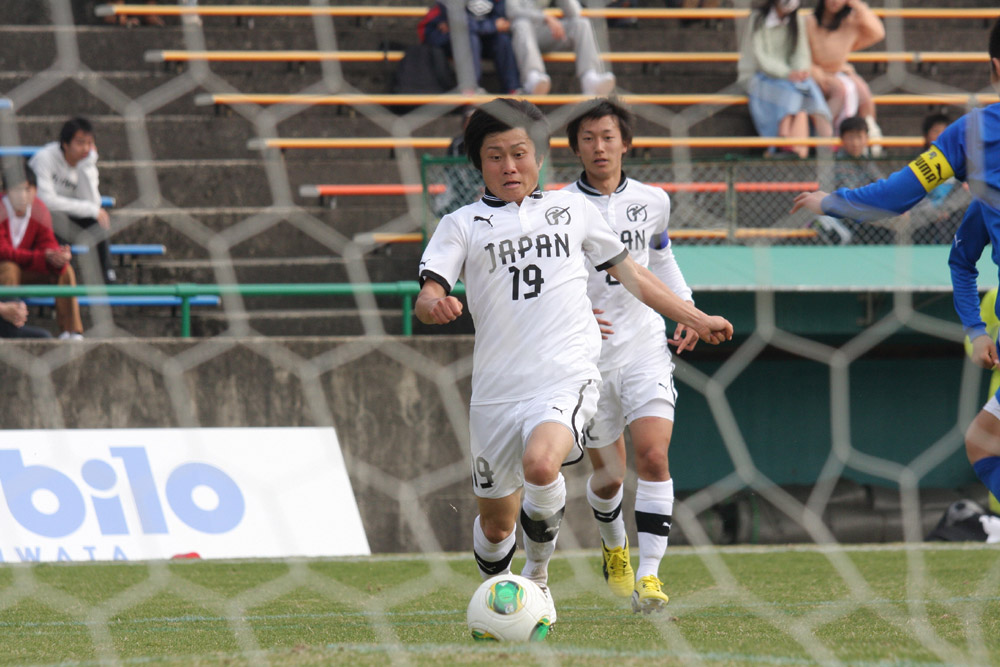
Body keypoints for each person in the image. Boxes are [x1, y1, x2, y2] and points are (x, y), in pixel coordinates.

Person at [415, 98, 733, 623]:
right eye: (495, 156)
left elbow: (638, 276)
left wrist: (695, 317)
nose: (510, 166)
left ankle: (538, 581)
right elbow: (429, 294)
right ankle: (501, 591)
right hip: (496, 391)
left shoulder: (572, 211)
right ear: (479, 164)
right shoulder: (461, 225)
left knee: (544, 463)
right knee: (497, 528)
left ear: (538, 156)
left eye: (519, 153)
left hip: (566, 375)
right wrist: (436, 304)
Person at [790, 18, 1000, 510]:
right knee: (983, 440)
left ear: (995, 68)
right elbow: (961, 258)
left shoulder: (973, 133)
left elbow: (898, 196)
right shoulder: (979, 184)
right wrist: (975, 327)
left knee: (984, 443)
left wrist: (832, 202)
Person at [562, 99, 695, 612]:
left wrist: (687, 311)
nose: (599, 146)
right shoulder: (559, 208)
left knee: (655, 456)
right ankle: (614, 545)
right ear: (576, 147)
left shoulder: (653, 200)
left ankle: (649, 577)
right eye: (589, 138)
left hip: (643, 345)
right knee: (611, 477)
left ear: (625, 143)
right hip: (588, 357)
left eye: (608, 136)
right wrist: (573, 315)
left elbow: (660, 256)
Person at [737, 0, 833, 158]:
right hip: (760, 76)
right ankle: (785, 139)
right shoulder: (757, 19)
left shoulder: (797, 20)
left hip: (791, 78)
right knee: (796, 94)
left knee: (807, 91)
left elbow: (801, 53)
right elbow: (760, 58)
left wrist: (799, 72)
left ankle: (795, 141)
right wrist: (787, 74)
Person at [29, 117, 116, 285]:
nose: (85, 148)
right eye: (80, 142)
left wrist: (87, 167)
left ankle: (108, 277)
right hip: (43, 219)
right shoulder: (44, 159)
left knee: (98, 222)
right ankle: (60, 276)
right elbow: (46, 201)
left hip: (71, 218)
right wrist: (90, 210)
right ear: (65, 144)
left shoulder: (86, 164)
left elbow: (93, 204)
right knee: (57, 216)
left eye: (89, 143)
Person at [0, 165, 84, 340]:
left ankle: (72, 332)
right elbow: (3, 251)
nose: (23, 196)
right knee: (8, 267)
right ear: (6, 191)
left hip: (29, 270)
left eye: (27, 189)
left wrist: (58, 258)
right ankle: (9, 326)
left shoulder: (40, 210)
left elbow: (48, 246)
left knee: (67, 270)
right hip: (6, 273)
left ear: (35, 190)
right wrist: (42, 257)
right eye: (17, 190)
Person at [806, 0, 885, 152]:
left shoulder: (851, 23)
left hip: (838, 71)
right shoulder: (809, 22)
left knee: (863, 92)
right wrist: (816, 71)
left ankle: (870, 139)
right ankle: (829, 140)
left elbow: (878, 32)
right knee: (841, 90)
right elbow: (801, 55)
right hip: (815, 74)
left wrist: (856, 5)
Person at [506, 0, 616, 95]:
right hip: (521, 35)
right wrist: (545, 18)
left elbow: (575, 13)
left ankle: (589, 78)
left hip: (546, 32)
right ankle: (532, 78)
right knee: (521, 24)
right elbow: (512, 11)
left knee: (582, 24)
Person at [419, 0, 521, 95]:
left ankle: (512, 89)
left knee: (502, 39)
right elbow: (460, 22)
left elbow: (501, 20)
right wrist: (492, 26)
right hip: (446, 39)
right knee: (468, 37)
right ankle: (470, 89)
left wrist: (488, 27)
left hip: (481, 38)